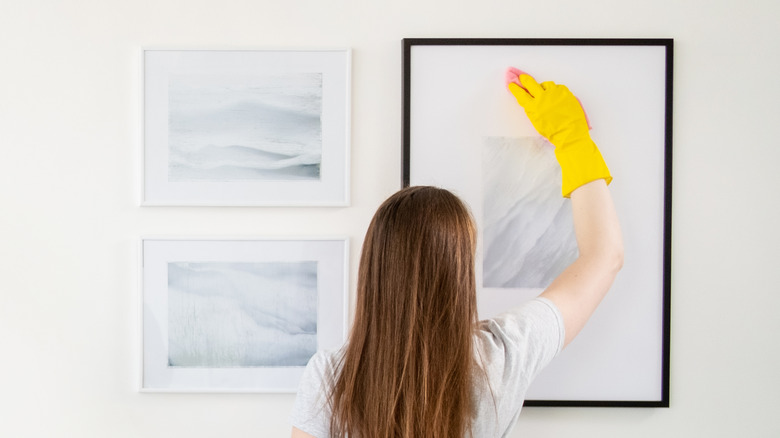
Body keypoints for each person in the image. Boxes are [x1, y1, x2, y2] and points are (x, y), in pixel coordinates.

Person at [290, 73, 623, 437]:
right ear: (459, 273)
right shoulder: (503, 355)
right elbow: (605, 256)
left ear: (375, 269)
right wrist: (572, 138)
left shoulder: (329, 377)